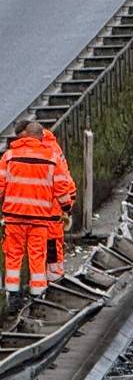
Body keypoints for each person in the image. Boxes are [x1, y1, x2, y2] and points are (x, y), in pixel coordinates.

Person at [0, 121, 63, 304]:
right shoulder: (51, 157)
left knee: (13, 255)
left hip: (14, 217)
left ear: (24, 135)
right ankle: (37, 293)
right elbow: (61, 185)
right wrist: (66, 206)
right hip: (40, 218)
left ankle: (11, 294)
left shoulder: (9, 156)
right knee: (37, 254)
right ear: (40, 136)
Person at [41, 128, 74, 279]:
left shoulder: (46, 151)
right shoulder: (53, 148)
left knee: (50, 246)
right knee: (54, 246)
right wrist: (68, 205)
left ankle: (52, 280)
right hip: (55, 207)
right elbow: (65, 181)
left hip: (49, 209)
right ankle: (54, 278)